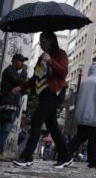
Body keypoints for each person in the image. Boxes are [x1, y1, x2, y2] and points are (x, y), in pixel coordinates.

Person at [14, 31, 72, 169]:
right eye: (40, 41)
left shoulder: (61, 54)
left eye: (43, 41)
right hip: (44, 94)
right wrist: (21, 88)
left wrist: (50, 61)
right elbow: (36, 77)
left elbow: (64, 72)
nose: (41, 44)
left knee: (36, 120)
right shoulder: (41, 58)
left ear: (51, 40)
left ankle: (27, 157)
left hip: (55, 93)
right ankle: (66, 157)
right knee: (53, 127)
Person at [69, 62, 96, 169]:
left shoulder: (84, 81)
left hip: (82, 116)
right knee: (94, 141)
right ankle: (93, 163)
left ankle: (65, 154)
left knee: (79, 137)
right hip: (94, 117)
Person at [0, 53, 28, 161]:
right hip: (8, 105)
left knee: (4, 130)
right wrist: (24, 72)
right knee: (5, 129)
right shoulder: (9, 71)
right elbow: (20, 82)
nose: (22, 64)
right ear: (14, 60)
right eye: (20, 61)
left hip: (12, 106)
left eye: (23, 61)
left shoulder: (15, 73)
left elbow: (23, 88)